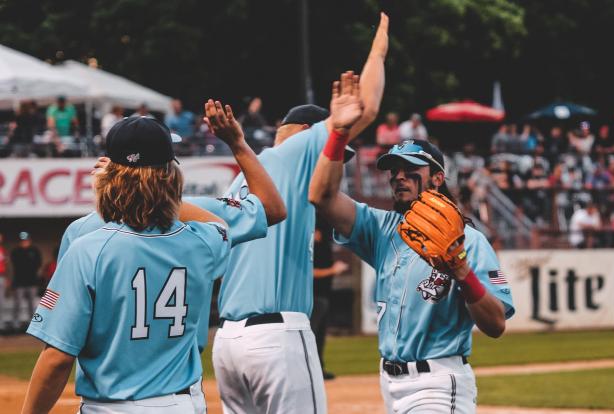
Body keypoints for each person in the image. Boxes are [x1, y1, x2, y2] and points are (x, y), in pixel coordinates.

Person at [54, 109, 285, 414]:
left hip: (104, 400)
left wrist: (129, 189)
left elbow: (62, 340)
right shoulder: (199, 218)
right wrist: (238, 144)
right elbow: (273, 208)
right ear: (168, 168)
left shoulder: (80, 234)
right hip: (178, 394)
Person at [212, 14, 388, 413]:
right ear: (310, 132)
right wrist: (380, 45)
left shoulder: (240, 180)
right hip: (277, 337)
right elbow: (368, 106)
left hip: (227, 343)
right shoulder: (297, 153)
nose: (336, 160)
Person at [21, 116, 235, 414]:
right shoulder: (202, 243)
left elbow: (57, 359)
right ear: (171, 177)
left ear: (111, 175)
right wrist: (164, 193)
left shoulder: (88, 249)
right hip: (182, 404)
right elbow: (220, 224)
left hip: (111, 408)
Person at [309, 130, 514, 412]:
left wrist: (463, 272)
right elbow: (323, 196)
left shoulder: (469, 240)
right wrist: (340, 133)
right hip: (389, 385)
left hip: (438, 383)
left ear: (437, 178)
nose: (398, 176)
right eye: (394, 170)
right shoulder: (381, 230)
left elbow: (496, 324)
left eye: (410, 169)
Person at [310, 214, 349, 380]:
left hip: (323, 294)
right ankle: (308, 369)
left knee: (319, 336)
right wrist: (333, 270)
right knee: (311, 335)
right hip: (314, 295)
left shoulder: (323, 246)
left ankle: (318, 368)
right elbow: (310, 273)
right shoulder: (311, 247)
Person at [10, 232, 42, 330]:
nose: (24, 242)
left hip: (32, 282)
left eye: (26, 240)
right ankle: (16, 325)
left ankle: (33, 325)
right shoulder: (15, 251)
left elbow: (38, 263)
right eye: (22, 241)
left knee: (32, 305)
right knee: (17, 304)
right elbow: (15, 265)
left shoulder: (34, 250)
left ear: (29, 240)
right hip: (19, 282)